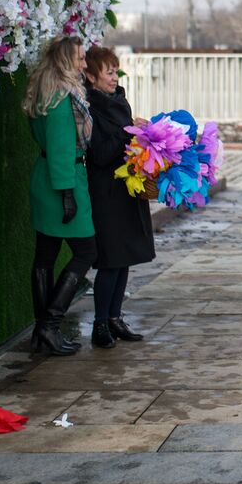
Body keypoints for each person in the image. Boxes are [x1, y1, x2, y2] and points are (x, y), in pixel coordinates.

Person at [23, 36, 98, 356]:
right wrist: (68, 194)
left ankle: (43, 333)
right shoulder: (60, 100)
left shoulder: (45, 91)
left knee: (45, 257)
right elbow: (61, 149)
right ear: (66, 61)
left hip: (47, 180)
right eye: (80, 59)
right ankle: (49, 327)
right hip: (62, 182)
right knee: (86, 252)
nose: (84, 65)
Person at [83, 46, 155, 348]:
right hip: (106, 191)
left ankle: (115, 317)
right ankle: (100, 324)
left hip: (128, 188)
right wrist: (128, 134)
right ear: (90, 76)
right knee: (111, 259)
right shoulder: (90, 108)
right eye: (108, 72)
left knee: (125, 257)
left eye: (116, 71)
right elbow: (98, 153)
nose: (114, 77)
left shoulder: (118, 101)